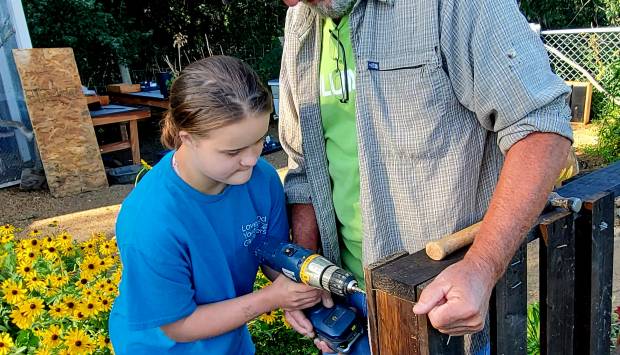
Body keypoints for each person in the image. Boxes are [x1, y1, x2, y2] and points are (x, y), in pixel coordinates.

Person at [278, 0, 573, 353]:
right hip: (346, 313)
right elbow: (304, 166)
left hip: (445, 316)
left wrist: (480, 268)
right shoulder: (302, 18)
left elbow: (540, 131)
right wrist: (307, 274)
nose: (291, 2)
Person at [108, 56, 326, 354]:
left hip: (229, 342)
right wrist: (271, 299)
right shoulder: (149, 220)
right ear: (188, 138)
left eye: (260, 140)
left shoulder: (261, 179)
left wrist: (303, 292)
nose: (251, 160)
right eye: (232, 151)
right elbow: (179, 326)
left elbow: (272, 256)